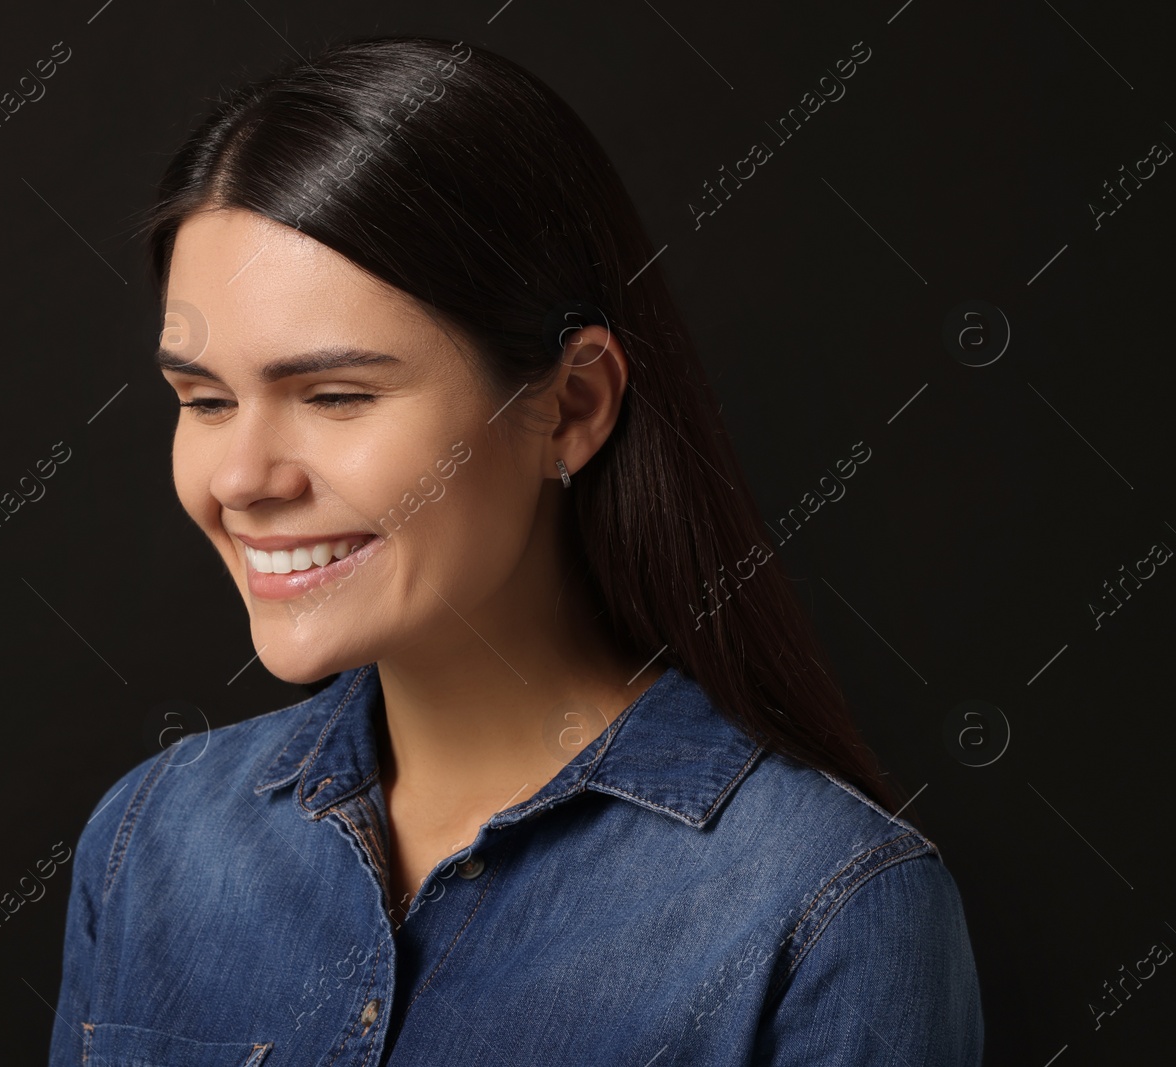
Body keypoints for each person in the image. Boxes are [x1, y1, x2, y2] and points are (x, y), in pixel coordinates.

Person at [48, 32, 982, 1066]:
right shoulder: (152, 839)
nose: (242, 478)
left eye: (336, 396)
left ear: (571, 404)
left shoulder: (826, 908)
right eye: (206, 399)